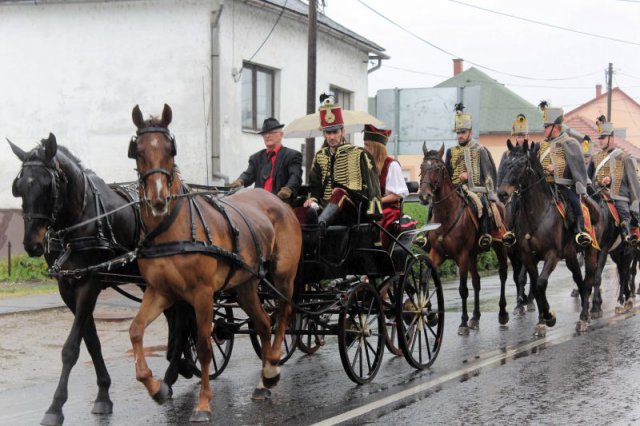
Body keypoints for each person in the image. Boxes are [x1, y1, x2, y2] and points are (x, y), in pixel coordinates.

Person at [303, 95, 382, 233]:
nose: (332, 137)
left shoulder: (359, 154)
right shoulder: (320, 155)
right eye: (328, 132)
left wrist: (372, 214)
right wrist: (312, 199)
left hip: (353, 210)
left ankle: (319, 227)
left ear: (343, 131)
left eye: (335, 132)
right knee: (300, 207)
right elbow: (314, 185)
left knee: (340, 193)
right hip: (323, 206)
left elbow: (372, 188)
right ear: (324, 134)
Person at [444, 103, 501, 248]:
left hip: (475, 189)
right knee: (435, 205)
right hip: (455, 189)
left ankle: (485, 235)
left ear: (470, 133)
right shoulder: (451, 151)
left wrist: (470, 177)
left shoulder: (480, 150)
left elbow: (488, 174)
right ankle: (428, 237)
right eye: (458, 133)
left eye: (463, 132)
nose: (460, 135)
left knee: (481, 205)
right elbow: (447, 173)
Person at [537, 101, 592, 247]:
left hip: (564, 185)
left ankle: (580, 231)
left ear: (556, 127)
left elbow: (576, 167)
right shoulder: (542, 145)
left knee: (574, 201)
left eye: (546, 127)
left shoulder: (570, 142)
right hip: (544, 186)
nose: (544, 129)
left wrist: (555, 168)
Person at [588, 115, 640, 245]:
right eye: (599, 138)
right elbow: (588, 178)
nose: (600, 141)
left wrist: (635, 205)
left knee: (623, 212)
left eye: (603, 138)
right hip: (597, 194)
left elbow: (632, 183)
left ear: (611, 138)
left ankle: (628, 235)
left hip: (618, 196)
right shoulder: (595, 158)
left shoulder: (624, 158)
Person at [230, 117, 302, 204]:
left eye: (271, 132)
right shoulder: (256, 158)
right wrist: (240, 181)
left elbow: (295, 176)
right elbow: (248, 174)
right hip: (260, 204)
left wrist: (288, 189)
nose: (267, 136)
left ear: (281, 134)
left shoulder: (292, 155)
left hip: (281, 203)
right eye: (264, 134)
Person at [363, 124, 409, 248]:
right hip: (369, 206)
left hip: (388, 208)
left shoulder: (392, 165)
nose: (364, 148)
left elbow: (397, 194)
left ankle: (380, 251)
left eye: (367, 145)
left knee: (379, 220)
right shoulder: (366, 165)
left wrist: (378, 200)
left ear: (376, 147)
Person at [500, 114, 529, 247]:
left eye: (523, 136)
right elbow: (500, 173)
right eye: (519, 136)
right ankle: (509, 232)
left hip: (527, 188)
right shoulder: (507, 154)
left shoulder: (531, 152)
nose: (521, 138)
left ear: (527, 136)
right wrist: (498, 189)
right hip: (511, 189)